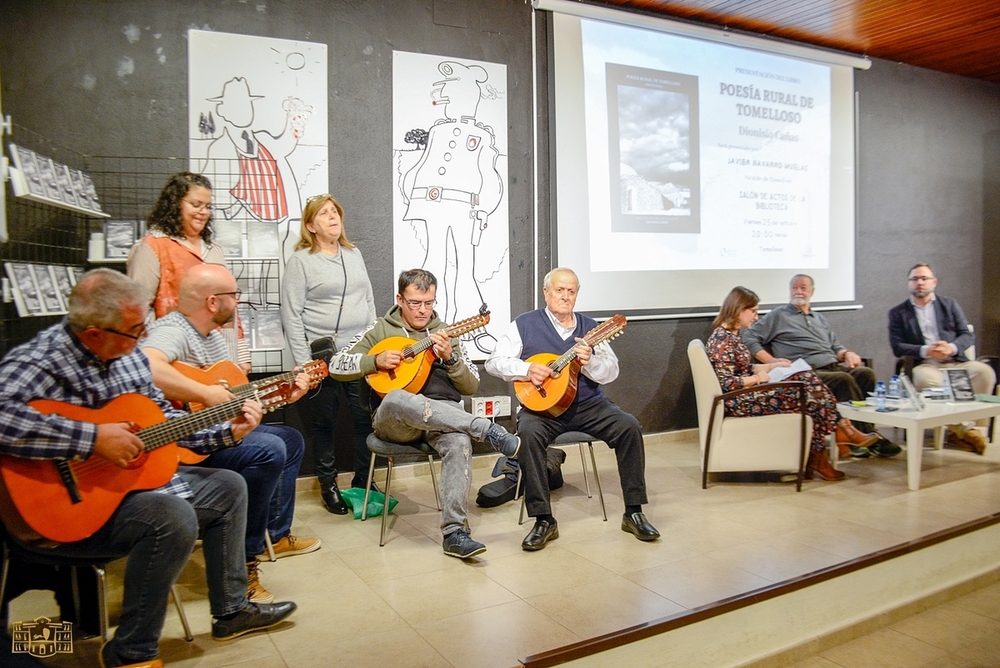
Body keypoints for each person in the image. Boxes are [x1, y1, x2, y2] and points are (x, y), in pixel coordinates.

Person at [0, 269, 295, 668]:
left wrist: (229, 433)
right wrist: (91, 439)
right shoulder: (41, 360)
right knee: (169, 516)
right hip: (62, 507)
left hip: (128, 491)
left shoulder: (131, 361)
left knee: (228, 486)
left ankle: (231, 610)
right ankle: (131, 652)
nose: (143, 340)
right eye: (134, 331)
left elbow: (168, 433)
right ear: (93, 335)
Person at [142, 264, 320, 606]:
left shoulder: (211, 339)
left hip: (215, 432)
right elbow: (148, 365)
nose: (238, 302)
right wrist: (204, 394)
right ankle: (246, 561)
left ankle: (275, 534)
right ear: (213, 302)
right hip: (181, 443)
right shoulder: (173, 329)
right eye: (233, 296)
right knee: (268, 449)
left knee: (290, 439)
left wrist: (283, 394)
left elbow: (236, 399)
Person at [327, 268, 520, 559]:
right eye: (415, 303)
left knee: (459, 442)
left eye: (428, 303)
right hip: (395, 420)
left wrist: (451, 358)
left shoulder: (446, 333)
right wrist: (374, 361)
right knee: (397, 398)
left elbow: (471, 384)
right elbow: (336, 364)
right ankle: (485, 429)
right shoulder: (379, 329)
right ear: (400, 299)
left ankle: (454, 533)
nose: (422, 310)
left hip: (440, 422)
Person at [485, 268, 659, 551]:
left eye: (571, 291)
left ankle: (634, 511)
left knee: (629, 426)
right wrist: (527, 368)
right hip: (540, 408)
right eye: (559, 290)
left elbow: (611, 373)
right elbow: (494, 362)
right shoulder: (524, 324)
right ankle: (543, 519)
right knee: (527, 433)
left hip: (588, 405)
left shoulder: (592, 328)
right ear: (546, 292)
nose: (565, 296)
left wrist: (589, 361)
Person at [280, 194, 377, 515]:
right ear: (311, 225)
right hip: (320, 355)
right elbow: (291, 315)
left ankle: (363, 481)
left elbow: (368, 302)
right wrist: (304, 364)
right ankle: (328, 484)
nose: (332, 217)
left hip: (357, 355)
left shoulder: (354, 254)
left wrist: (371, 345)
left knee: (364, 417)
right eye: (324, 213)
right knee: (324, 423)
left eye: (335, 211)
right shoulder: (301, 261)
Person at [742, 274, 901, 459]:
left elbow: (836, 346)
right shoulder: (779, 315)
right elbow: (750, 337)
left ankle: (867, 432)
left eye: (803, 287)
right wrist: (771, 362)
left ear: (812, 291)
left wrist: (847, 353)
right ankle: (860, 438)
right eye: (794, 288)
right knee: (844, 379)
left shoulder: (819, 318)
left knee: (865, 374)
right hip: (807, 372)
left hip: (833, 365)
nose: (798, 291)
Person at [707, 286, 845, 481]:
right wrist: (758, 379)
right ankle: (837, 434)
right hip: (738, 402)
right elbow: (727, 382)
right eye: (753, 311)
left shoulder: (733, 335)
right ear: (739, 309)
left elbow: (743, 368)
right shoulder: (722, 339)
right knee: (807, 387)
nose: (756, 317)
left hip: (746, 394)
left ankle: (824, 449)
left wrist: (772, 366)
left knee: (806, 379)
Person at [126, 171, 251, 372]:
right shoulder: (152, 246)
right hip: (176, 358)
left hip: (217, 354)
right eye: (196, 205)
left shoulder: (213, 248)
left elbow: (228, 309)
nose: (204, 212)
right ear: (175, 204)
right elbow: (137, 310)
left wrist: (238, 356)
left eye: (208, 206)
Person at [889, 263, 996, 453]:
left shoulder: (949, 304)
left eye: (924, 278)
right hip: (926, 364)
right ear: (908, 284)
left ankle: (971, 429)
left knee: (984, 372)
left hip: (955, 361)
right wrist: (926, 350)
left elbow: (966, 334)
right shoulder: (898, 312)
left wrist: (951, 347)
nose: (919, 283)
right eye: (914, 279)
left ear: (934, 282)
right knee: (927, 380)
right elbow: (897, 346)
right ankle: (964, 430)